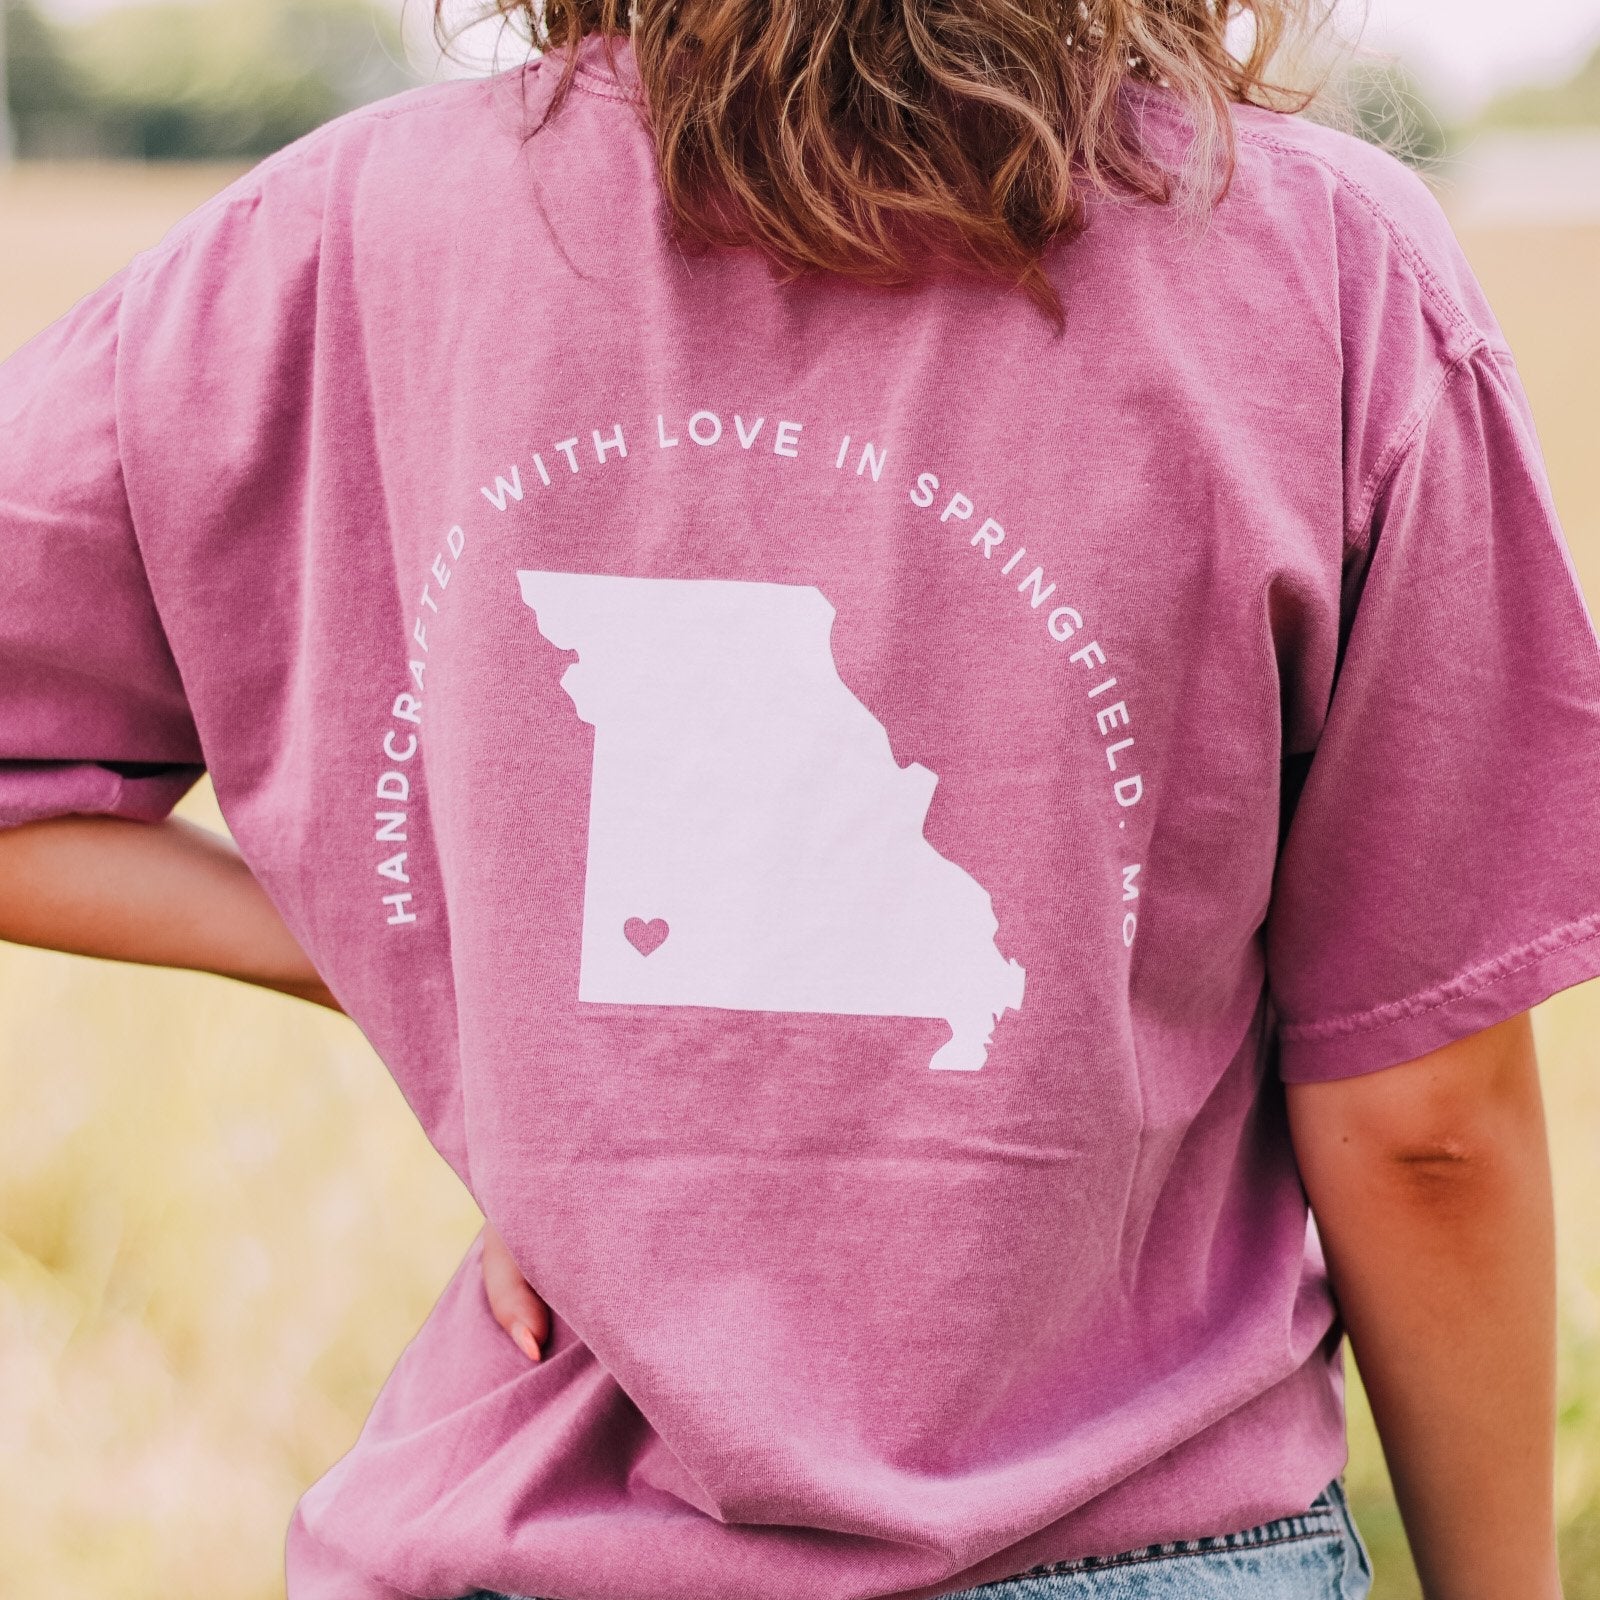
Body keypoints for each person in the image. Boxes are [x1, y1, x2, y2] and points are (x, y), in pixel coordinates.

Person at [0, 0, 1594, 1594]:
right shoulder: (1326, 270)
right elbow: (1427, 1128)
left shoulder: (334, 241)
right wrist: (483, 970)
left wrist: (485, 979)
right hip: (1144, 1541)